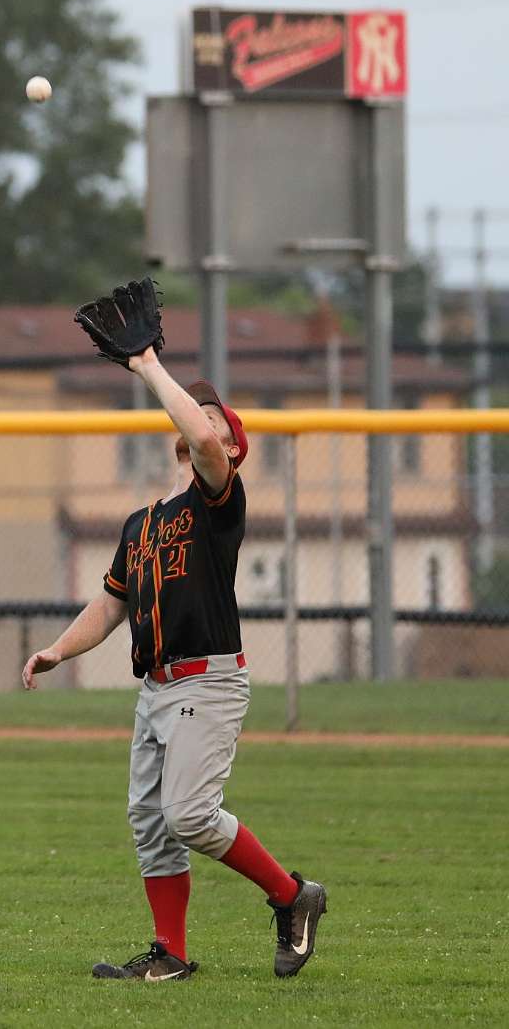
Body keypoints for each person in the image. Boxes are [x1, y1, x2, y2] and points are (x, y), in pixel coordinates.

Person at [21, 342, 327, 981]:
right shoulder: (141, 523)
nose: (199, 418)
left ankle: (292, 895)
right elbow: (110, 604)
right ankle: (171, 954)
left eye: (211, 416)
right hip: (156, 688)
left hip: (206, 679)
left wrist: (147, 365)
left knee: (188, 814)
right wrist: (58, 649)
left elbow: (206, 444)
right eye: (196, 411)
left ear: (230, 448)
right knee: (151, 823)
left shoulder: (218, 500)